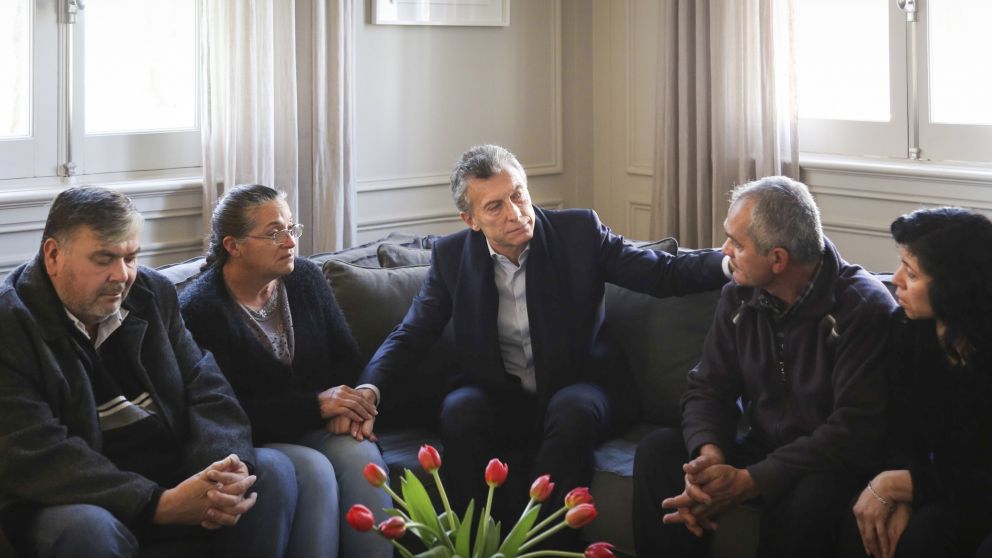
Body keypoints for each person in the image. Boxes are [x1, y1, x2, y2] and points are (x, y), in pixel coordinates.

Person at [349, 144, 730, 536]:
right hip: (497, 391)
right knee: (460, 411)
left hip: (580, 383)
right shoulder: (451, 258)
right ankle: (475, 542)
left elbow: (661, 273)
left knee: (572, 411)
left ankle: (544, 542)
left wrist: (729, 261)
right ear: (471, 219)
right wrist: (368, 388)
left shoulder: (578, 233)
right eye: (495, 206)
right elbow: (412, 332)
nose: (514, 212)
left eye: (517, 194)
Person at [0, 186, 301, 558]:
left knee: (271, 472)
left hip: (173, 474)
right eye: (103, 258)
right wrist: (157, 503)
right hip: (77, 498)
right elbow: (39, 455)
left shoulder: (152, 293)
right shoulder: (10, 324)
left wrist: (221, 471)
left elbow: (207, 387)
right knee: (90, 528)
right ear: (53, 255)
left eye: (130, 257)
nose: (121, 276)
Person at [632, 176, 897, 558]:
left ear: (778, 259)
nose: (724, 251)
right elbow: (708, 386)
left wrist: (751, 481)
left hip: (825, 464)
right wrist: (711, 457)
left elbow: (852, 431)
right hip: (762, 447)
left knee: (814, 495)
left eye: (737, 244)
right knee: (660, 452)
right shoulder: (738, 296)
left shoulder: (862, 309)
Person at [179, 184, 392, 558]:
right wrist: (316, 406)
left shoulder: (306, 279)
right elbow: (223, 412)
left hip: (315, 427)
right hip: (255, 440)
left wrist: (351, 409)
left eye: (292, 229)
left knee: (360, 454)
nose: (290, 242)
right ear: (233, 245)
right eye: (275, 233)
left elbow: (347, 363)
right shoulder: (201, 310)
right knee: (313, 470)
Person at [838, 207, 992, 558]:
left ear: (954, 287)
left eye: (911, 273)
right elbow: (897, 430)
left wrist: (905, 485)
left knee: (930, 533)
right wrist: (898, 494)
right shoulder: (908, 329)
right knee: (862, 516)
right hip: (937, 486)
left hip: (977, 494)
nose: (895, 280)